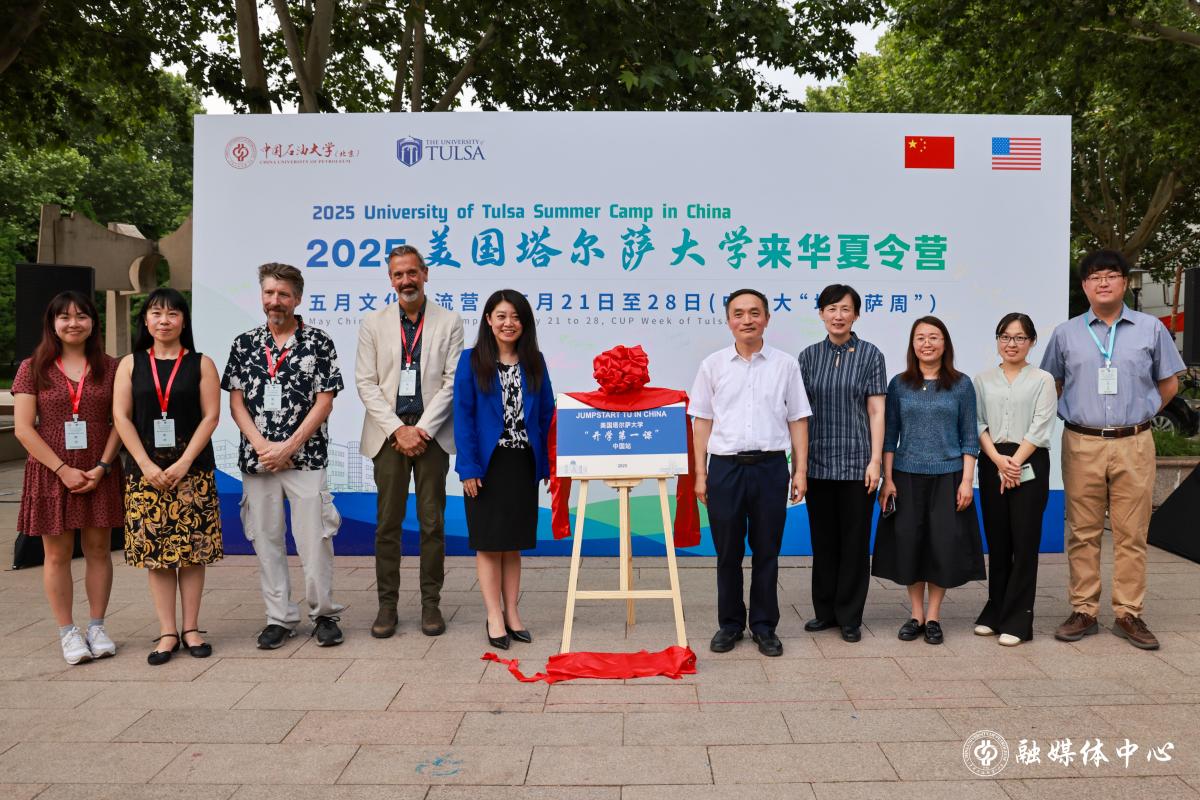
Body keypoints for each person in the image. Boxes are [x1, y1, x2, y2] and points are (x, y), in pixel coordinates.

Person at [1041, 249, 1186, 650]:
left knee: (1132, 532)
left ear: (1124, 281)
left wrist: (1141, 414)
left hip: (1134, 442)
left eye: (1110, 275)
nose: (1102, 282)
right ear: (1084, 286)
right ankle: (1083, 609)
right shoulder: (1066, 333)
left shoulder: (1150, 329)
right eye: (1094, 277)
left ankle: (1128, 613)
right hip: (1081, 441)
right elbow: (1052, 384)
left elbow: (1169, 383)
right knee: (1082, 531)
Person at [222, 263, 346, 649]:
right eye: (269, 293)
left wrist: (288, 447)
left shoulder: (319, 342)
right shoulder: (244, 344)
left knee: (315, 539)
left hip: (305, 458)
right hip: (258, 461)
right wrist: (264, 447)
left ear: (298, 299)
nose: (275, 301)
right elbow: (236, 403)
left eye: (283, 294)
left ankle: (324, 614)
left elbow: (324, 401)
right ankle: (279, 617)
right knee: (266, 539)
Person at [691, 288, 811, 657]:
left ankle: (763, 626)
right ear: (729, 321)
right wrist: (700, 473)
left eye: (755, 313)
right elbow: (702, 421)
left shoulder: (785, 365)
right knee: (727, 552)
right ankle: (729, 624)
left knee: (767, 551)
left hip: (771, 468)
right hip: (725, 468)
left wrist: (800, 471)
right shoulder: (712, 365)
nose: (747, 320)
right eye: (739, 313)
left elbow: (798, 419)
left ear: (767, 319)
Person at [356, 245, 464, 638]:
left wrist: (422, 430)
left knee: (432, 523)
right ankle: (387, 606)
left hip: (431, 437)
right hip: (388, 437)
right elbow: (366, 383)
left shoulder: (449, 322)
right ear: (391, 280)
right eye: (398, 274)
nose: (406, 280)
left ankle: (430, 604)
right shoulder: (373, 323)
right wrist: (397, 429)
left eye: (412, 272)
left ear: (425, 273)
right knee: (387, 523)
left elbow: (452, 381)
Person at [113, 288, 223, 665]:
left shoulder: (201, 364)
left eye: (173, 313)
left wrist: (184, 463)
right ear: (145, 321)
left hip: (192, 473)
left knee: (192, 554)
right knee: (157, 557)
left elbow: (211, 416)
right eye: (156, 313)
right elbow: (121, 417)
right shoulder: (130, 365)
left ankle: (191, 629)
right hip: (146, 475)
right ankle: (167, 632)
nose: (164, 320)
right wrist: (145, 464)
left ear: (184, 321)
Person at [12, 291, 123, 664]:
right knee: (57, 555)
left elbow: (120, 421)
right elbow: (23, 428)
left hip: (97, 470)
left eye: (81, 316)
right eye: (65, 317)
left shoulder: (111, 367)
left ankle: (97, 627)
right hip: (50, 472)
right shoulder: (33, 367)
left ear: (93, 322)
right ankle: (67, 632)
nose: (73, 323)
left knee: (98, 551)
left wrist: (103, 466)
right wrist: (62, 469)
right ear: (52, 323)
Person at [873, 315, 984, 645]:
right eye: (920, 337)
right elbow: (889, 435)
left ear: (945, 343)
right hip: (906, 476)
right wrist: (887, 479)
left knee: (941, 547)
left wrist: (967, 481)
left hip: (948, 476)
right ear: (912, 344)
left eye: (934, 337)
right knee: (910, 545)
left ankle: (934, 616)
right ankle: (916, 615)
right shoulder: (899, 384)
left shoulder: (961, 384)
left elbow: (969, 436)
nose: (927, 343)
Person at [453, 290, 554, 650]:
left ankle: (512, 613)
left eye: (515, 317)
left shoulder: (535, 362)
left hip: (522, 463)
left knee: (513, 544)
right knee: (488, 543)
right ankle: (493, 615)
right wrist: (468, 467)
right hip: (486, 465)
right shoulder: (471, 360)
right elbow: (462, 417)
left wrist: (548, 464)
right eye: (501, 316)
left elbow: (547, 414)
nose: (508, 323)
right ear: (488, 320)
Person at [797, 284, 886, 643]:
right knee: (824, 541)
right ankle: (825, 612)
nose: (838, 316)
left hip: (857, 464)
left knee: (854, 542)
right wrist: (799, 466)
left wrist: (876, 461)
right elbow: (799, 415)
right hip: (818, 463)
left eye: (845, 309)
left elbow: (877, 411)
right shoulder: (808, 357)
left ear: (856, 315)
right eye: (831, 309)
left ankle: (850, 616)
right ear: (821, 313)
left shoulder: (870, 355)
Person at [973, 313, 1057, 646]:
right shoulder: (982, 380)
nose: (1012, 344)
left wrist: (1015, 463)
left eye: (1020, 337)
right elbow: (978, 423)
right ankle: (995, 610)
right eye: (1005, 337)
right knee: (998, 540)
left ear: (1032, 342)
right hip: (992, 460)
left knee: (1024, 541)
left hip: (1030, 459)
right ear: (997, 340)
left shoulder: (1043, 379)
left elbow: (1041, 425)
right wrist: (998, 461)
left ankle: (1019, 619)